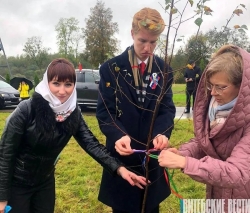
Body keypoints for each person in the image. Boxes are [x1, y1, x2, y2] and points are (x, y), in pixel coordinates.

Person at [0, 58, 148, 213]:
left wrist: (120, 168)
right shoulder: (26, 110)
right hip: (17, 183)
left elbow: (91, 143)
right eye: (56, 83)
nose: (62, 91)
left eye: (68, 84)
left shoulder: (72, 112)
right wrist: (2, 198)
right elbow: (5, 154)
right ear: (47, 83)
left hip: (44, 182)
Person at [96, 7, 176, 213]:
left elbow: (167, 110)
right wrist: (118, 135)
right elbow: (106, 113)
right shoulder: (110, 69)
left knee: (150, 206)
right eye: (142, 41)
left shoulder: (164, 70)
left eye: (153, 42)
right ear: (132, 34)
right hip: (123, 157)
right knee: (123, 206)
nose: (148, 47)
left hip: (151, 158)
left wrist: (161, 133)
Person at [158, 44, 250, 211]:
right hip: (219, 194)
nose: (213, 93)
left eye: (221, 87)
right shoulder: (215, 109)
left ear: (242, 86)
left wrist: (186, 163)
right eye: (210, 85)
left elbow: (238, 172)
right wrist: (183, 153)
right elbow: (206, 142)